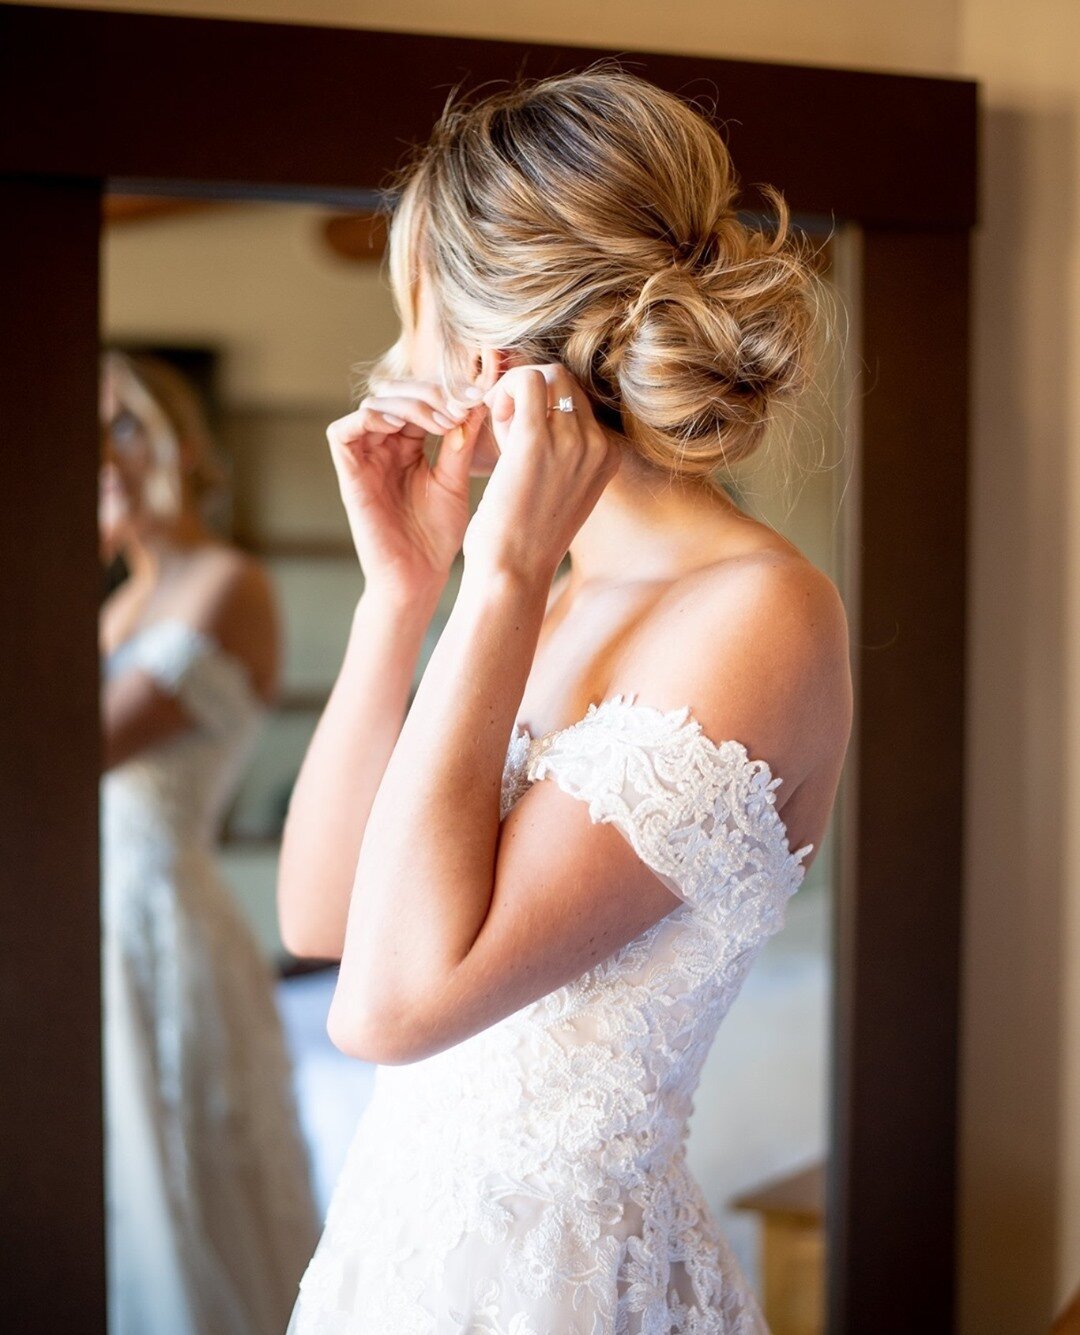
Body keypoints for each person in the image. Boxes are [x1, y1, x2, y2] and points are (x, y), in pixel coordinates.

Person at [279, 65, 852, 1334]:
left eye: (412, 315)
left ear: (490, 353)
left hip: (561, 1284)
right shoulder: (525, 590)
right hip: (403, 1244)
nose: (391, 360)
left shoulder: (756, 614)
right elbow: (325, 917)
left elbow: (387, 1010)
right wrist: (404, 595)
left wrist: (503, 573)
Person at [98, 350, 321, 1335]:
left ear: (184, 449)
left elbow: (79, 746)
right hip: (86, 909)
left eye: (125, 426)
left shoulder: (227, 582)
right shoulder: (113, 604)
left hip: (157, 907)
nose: (103, 456)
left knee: (185, 1171)